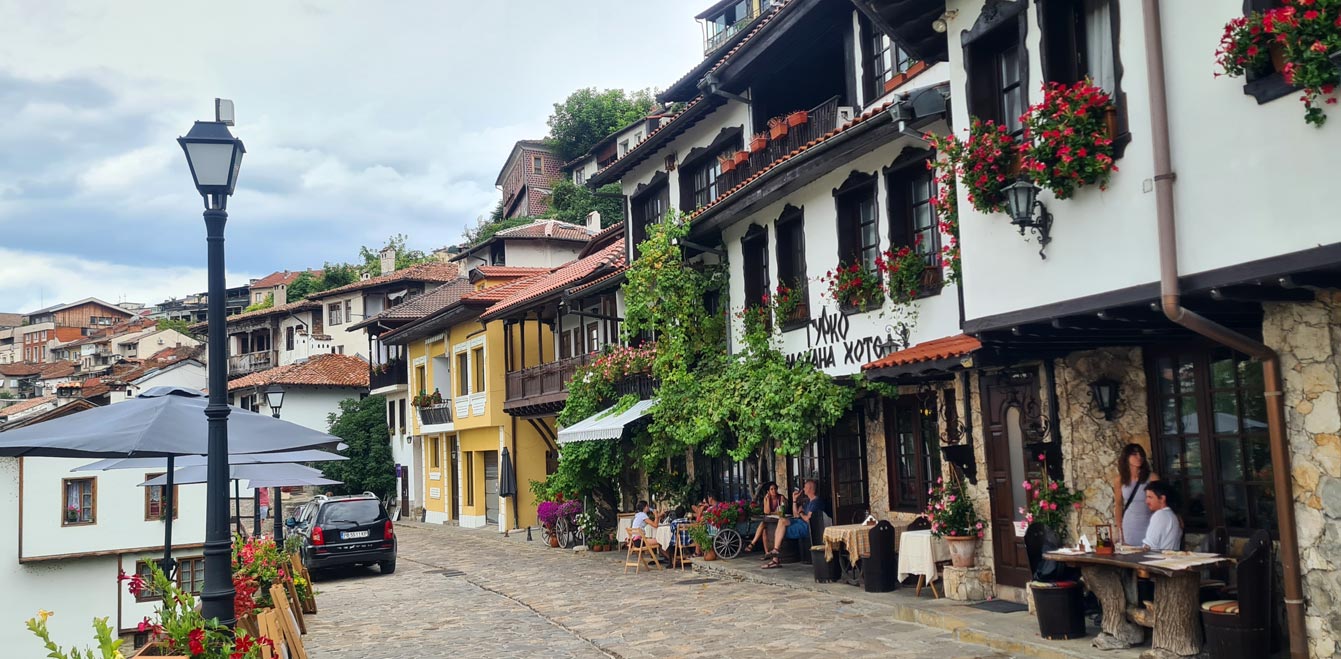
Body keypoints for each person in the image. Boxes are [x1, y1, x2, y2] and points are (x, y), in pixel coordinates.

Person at [762, 479, 825, 569]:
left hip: (807, 527)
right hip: (799, 522)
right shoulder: (808, 501)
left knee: (779, 530)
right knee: (781, 521)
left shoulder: (816, 502)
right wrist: (794, 500)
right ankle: (775, 553)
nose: (803, 489)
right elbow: (795, 514)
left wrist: (801, 513)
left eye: (805, 487)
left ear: (810, 488)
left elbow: (808, 519)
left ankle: (775, 558)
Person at [1113, 443, 1158, 545]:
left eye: (1141, 454)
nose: (1139, 457)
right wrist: (1119, 528)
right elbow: (1119, 505)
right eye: (1134, 454)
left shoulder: (1152, 477)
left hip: (1149, 521)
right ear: (1127, 457)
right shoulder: (1120, 480)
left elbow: (1161, 500)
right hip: (1130, 523)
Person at [1141, 480, 1182, 551]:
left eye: (1150, 497)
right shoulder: (1172, 515)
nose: (1146, 501)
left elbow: (1149, 546)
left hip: (1159, 560)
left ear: (1162, 498)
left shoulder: (1160, 515)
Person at [745, 481, 782, 554]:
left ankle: (752, 543)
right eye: (771, 489)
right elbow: (767, 512)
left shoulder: (780, 497)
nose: (774, 491)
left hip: (779, 520)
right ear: (768, 491)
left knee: (763, 524)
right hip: (770, 520)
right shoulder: (766, 499)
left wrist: (772, 512)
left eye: (775, 489)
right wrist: (767, 500)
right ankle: (767, 553)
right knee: (764, 530)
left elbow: (781, 511)